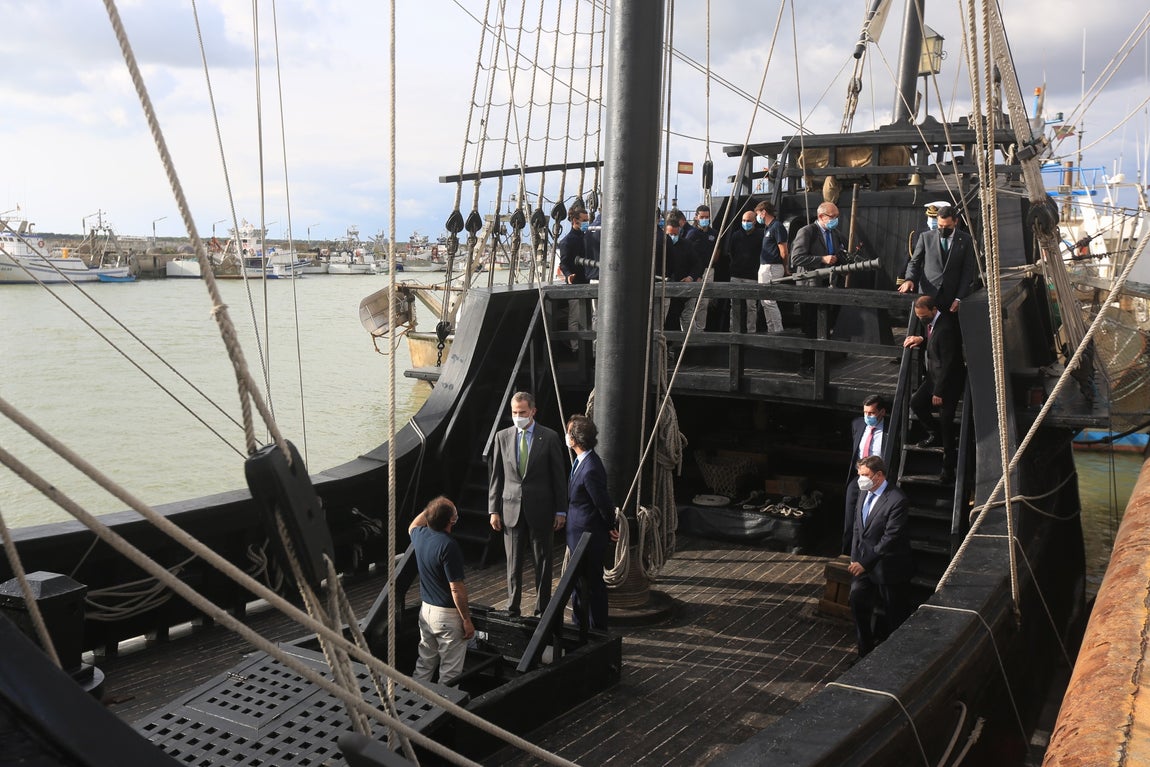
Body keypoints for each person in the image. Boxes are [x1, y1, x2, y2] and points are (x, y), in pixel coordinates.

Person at [489, 391, 568, 616]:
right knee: (513, 562)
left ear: (533, 411)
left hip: (541, 510)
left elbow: (558, 478)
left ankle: (542, 608)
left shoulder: (550, 437)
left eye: (522, 412)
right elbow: (496, 477)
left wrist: (561, 510)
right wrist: (493, 510)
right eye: (514, 412)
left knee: (542, 561)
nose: (518, 416)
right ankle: (512, 605)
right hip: (511, 508)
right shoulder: (502, 437)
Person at [847, 455, 913, 658]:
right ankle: (863, 651)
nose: (861, 479)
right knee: (857, 600)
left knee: (894, 614)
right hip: (865, 563)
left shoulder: (897, 500)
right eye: (859, 475)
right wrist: (854, 558)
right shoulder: (863, 493)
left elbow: (890, 537)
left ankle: (895, 656)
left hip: (888, 566)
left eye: (865, 475)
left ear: (879, 475)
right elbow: (858, 527)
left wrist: (864, 563)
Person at [409, 496, 474, 685]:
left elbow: (413, 525)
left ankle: (416, 703)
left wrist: (432, 507)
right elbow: (456, 588)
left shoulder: (420, 535)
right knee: (450, 672)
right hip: (447, 616)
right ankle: (446, 711)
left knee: (424, 664)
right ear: (451, 521)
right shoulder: (448, 546)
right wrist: (466, 620)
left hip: (426, 611)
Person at [564, 414, 619, 631]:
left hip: (587, 535)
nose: (566, 437)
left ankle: (597, 629)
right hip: (577, 533)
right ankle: (580, 624)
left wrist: (610, 526)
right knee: (579, 582)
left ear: (575, 439)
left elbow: (602, 502)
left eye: (569, 433)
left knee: (593, 583)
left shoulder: (591, 468)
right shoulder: (582, 461)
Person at [903, 294, 966, 481]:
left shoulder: (946, 328)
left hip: (948, 381)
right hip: (933, 376)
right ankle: (933, 433)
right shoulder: (932, 323)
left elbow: (949, 362)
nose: (921, 319)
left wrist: (939, 391)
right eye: (919, 317)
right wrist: (922, 339)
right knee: (916, 403)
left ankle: (948, 468)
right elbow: (933, 338)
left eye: (923, 316)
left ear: (933, 310)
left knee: (946, 420)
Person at [789, 202, 846, 370]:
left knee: (826, 327)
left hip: (828, 287)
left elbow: (838, 255)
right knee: (811, 328)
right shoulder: (807, 232)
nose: (836, 219)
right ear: (821, 216)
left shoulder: (835, 234)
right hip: (810, 287)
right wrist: (821, 259)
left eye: (837, 216)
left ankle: (820, 364)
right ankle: (806, 366)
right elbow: (796, 259)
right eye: (832, 217)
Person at [898, 205, 978, 314]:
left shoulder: (966, 240)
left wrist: (959, 298)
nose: (943, 229)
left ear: (956, 222)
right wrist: (909, 279)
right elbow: (914, 262)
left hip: (951, 296)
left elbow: (967, 270)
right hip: (928, 295)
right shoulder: (925, 237)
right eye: (940, 225)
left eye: (948, 226)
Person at [842, 394, 888, 554]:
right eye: (865, 413)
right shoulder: (858, 424)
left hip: (877, 480)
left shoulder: (889, 430)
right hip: (859, 477)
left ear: (882, 412)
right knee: (850, 517)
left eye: (872, 413)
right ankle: (847, 552)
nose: (867, 416)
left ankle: (866, 553)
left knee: (870, 519)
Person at [558, 207, 591, 352]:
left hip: (588, 281)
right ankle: (576, 348)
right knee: (575, 317)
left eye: (587, 221)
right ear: (575, 221)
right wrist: (568, 275)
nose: (587, 223)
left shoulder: (588, 237)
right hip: (575, 282)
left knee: (590, 316)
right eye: (584, 221)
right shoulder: (567, 242)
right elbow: (563, 263)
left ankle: (588, 347)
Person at [725, 208, 763, 332]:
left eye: (748, 220)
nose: (745, 223)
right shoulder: (736, 235)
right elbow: (732, 252)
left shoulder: (760, 235)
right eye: (743, 220)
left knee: (751, 306)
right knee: (734, 305)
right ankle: (733, 329)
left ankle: (751, 330)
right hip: (736, 274)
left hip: (752, 276)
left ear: (754, 221)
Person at [754, 200, 789, 334]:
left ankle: (778, 330)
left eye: (758, 213)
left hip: (772, 266)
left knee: (769, 301)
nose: (758, 217)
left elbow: (784, 250)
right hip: (766, 266)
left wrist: (785, 266)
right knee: (765, 301)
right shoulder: (768, 228)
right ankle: (771, 330)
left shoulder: (777, 226)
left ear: (763, 212)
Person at [679, 205, 713, 332]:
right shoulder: (692, 234)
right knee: (691, 304)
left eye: (707, 217)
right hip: (693, 273)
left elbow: (717, 252)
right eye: (702, 217)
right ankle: (690, 332)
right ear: (696, 217)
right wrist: (694, 274)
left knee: (704, 303)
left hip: (708, 270)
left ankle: (700, 330)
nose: (705, 219)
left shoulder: (713, 233)